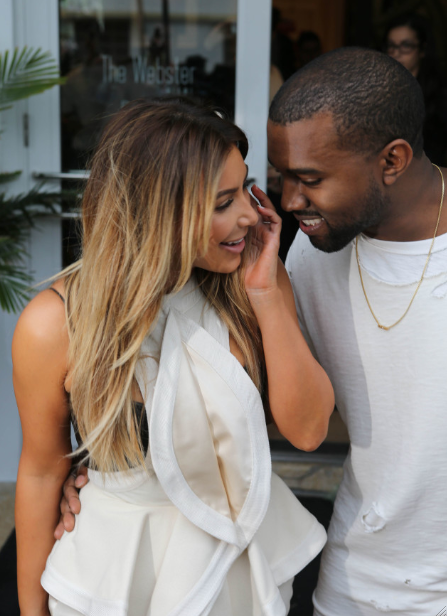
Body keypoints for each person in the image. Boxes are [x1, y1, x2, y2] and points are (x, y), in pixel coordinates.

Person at [13, 98, 334, 616]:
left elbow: (310, 431)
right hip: (117, 571)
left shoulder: (251, 282)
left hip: (239, 561)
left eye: (246, 189)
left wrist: (267, 295)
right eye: (223, 202)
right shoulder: (56, 322)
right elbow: (41, 472)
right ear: (158, 211)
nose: (250, 214)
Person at [268, 47, 447, 614]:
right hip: (354, 581)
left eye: (310, 179)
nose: (290, 201)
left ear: (392, 160)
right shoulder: (311, 253)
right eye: (282, 178)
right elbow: (297, 419)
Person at [384, 13, 447, 166]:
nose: (396, 53)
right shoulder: (378, 89)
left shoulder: (439, 95)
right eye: (391, 46)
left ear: (422, 50)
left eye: (406, 46)